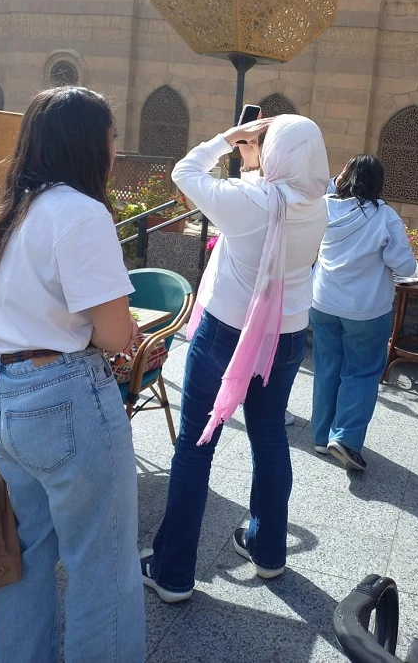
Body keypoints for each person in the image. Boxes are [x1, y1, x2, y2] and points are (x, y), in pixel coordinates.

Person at [0, 87, 145, 663]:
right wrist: (124, 333)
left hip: (5, 397)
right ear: (88, 142)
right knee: (102, 568)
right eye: (111, 134)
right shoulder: (80, 211)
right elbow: (116, 334)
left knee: (24, 559)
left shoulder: (10, 209)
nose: (115, 148)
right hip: (67, 397)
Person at [140, 114, 329, 602]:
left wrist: (224, 140)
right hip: (286, 333)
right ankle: (269, 551)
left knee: (195, 446)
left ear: (276, 156)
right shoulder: (317, 205)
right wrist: (253, 160)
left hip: (228, 332)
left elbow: (185, 173)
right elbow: (267, 204)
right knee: (268, 435)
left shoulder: (252, 202)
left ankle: (173, 571)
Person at [310, 154, 416, 472]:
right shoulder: (385, 217)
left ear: (344, 177)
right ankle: (345, 438)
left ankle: (320, 436)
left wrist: (340, 176)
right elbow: (405, 266)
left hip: (322, 302)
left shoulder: (324, 208)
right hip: (366, 310)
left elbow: (325, 189)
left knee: (327, 366)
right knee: (362, 371)